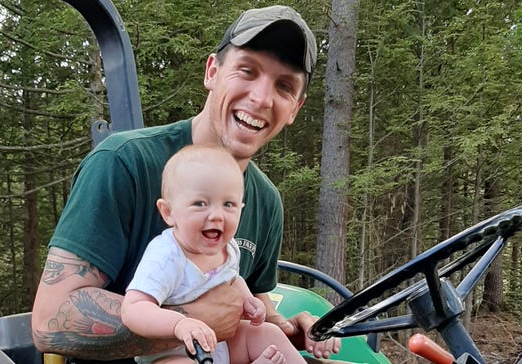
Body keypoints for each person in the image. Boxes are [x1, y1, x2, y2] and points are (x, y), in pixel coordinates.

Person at [32, 4, 341, 363]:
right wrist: (190, 319)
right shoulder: (124, 163)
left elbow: (248, 308)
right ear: (212, 72)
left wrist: (290, 330)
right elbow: (48, 322)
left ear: (295, 109)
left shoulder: (266, 201)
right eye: (247, 70)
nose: (260, 98)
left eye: (284, 86)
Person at [122, 144, 308, 364]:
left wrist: (249, 301)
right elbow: (133, 308)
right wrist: (179, 324)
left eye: (228, 204)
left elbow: (233, 278)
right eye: (200, 203)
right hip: (174, 350)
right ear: (168, 212)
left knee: (269, 334)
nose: (217, 215)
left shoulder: (228, 248)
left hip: (222, 344)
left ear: (241, 207)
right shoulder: (166, 255)